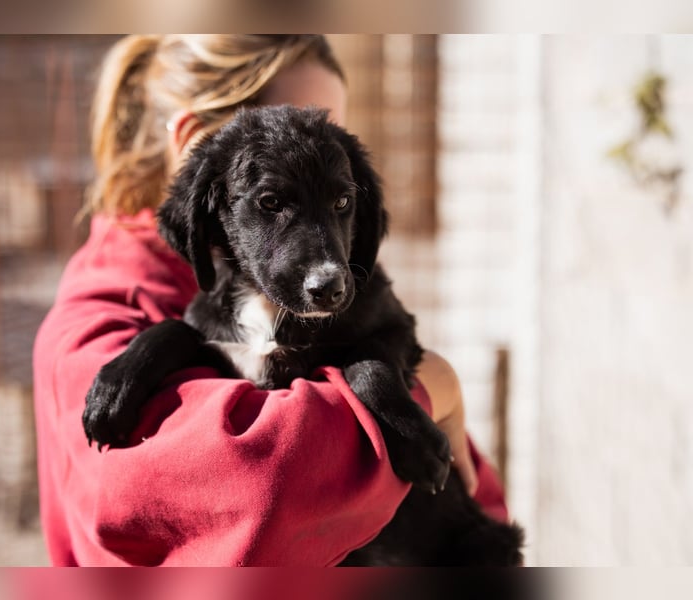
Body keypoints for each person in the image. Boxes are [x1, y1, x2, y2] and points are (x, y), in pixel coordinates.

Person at [32, 34, 509, 566]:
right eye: (272, 199)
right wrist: (433, 390)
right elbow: (263, 489)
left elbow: (467, 489)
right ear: (199, 144)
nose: (314, 134)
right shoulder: (95, 323)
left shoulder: (330, 295)